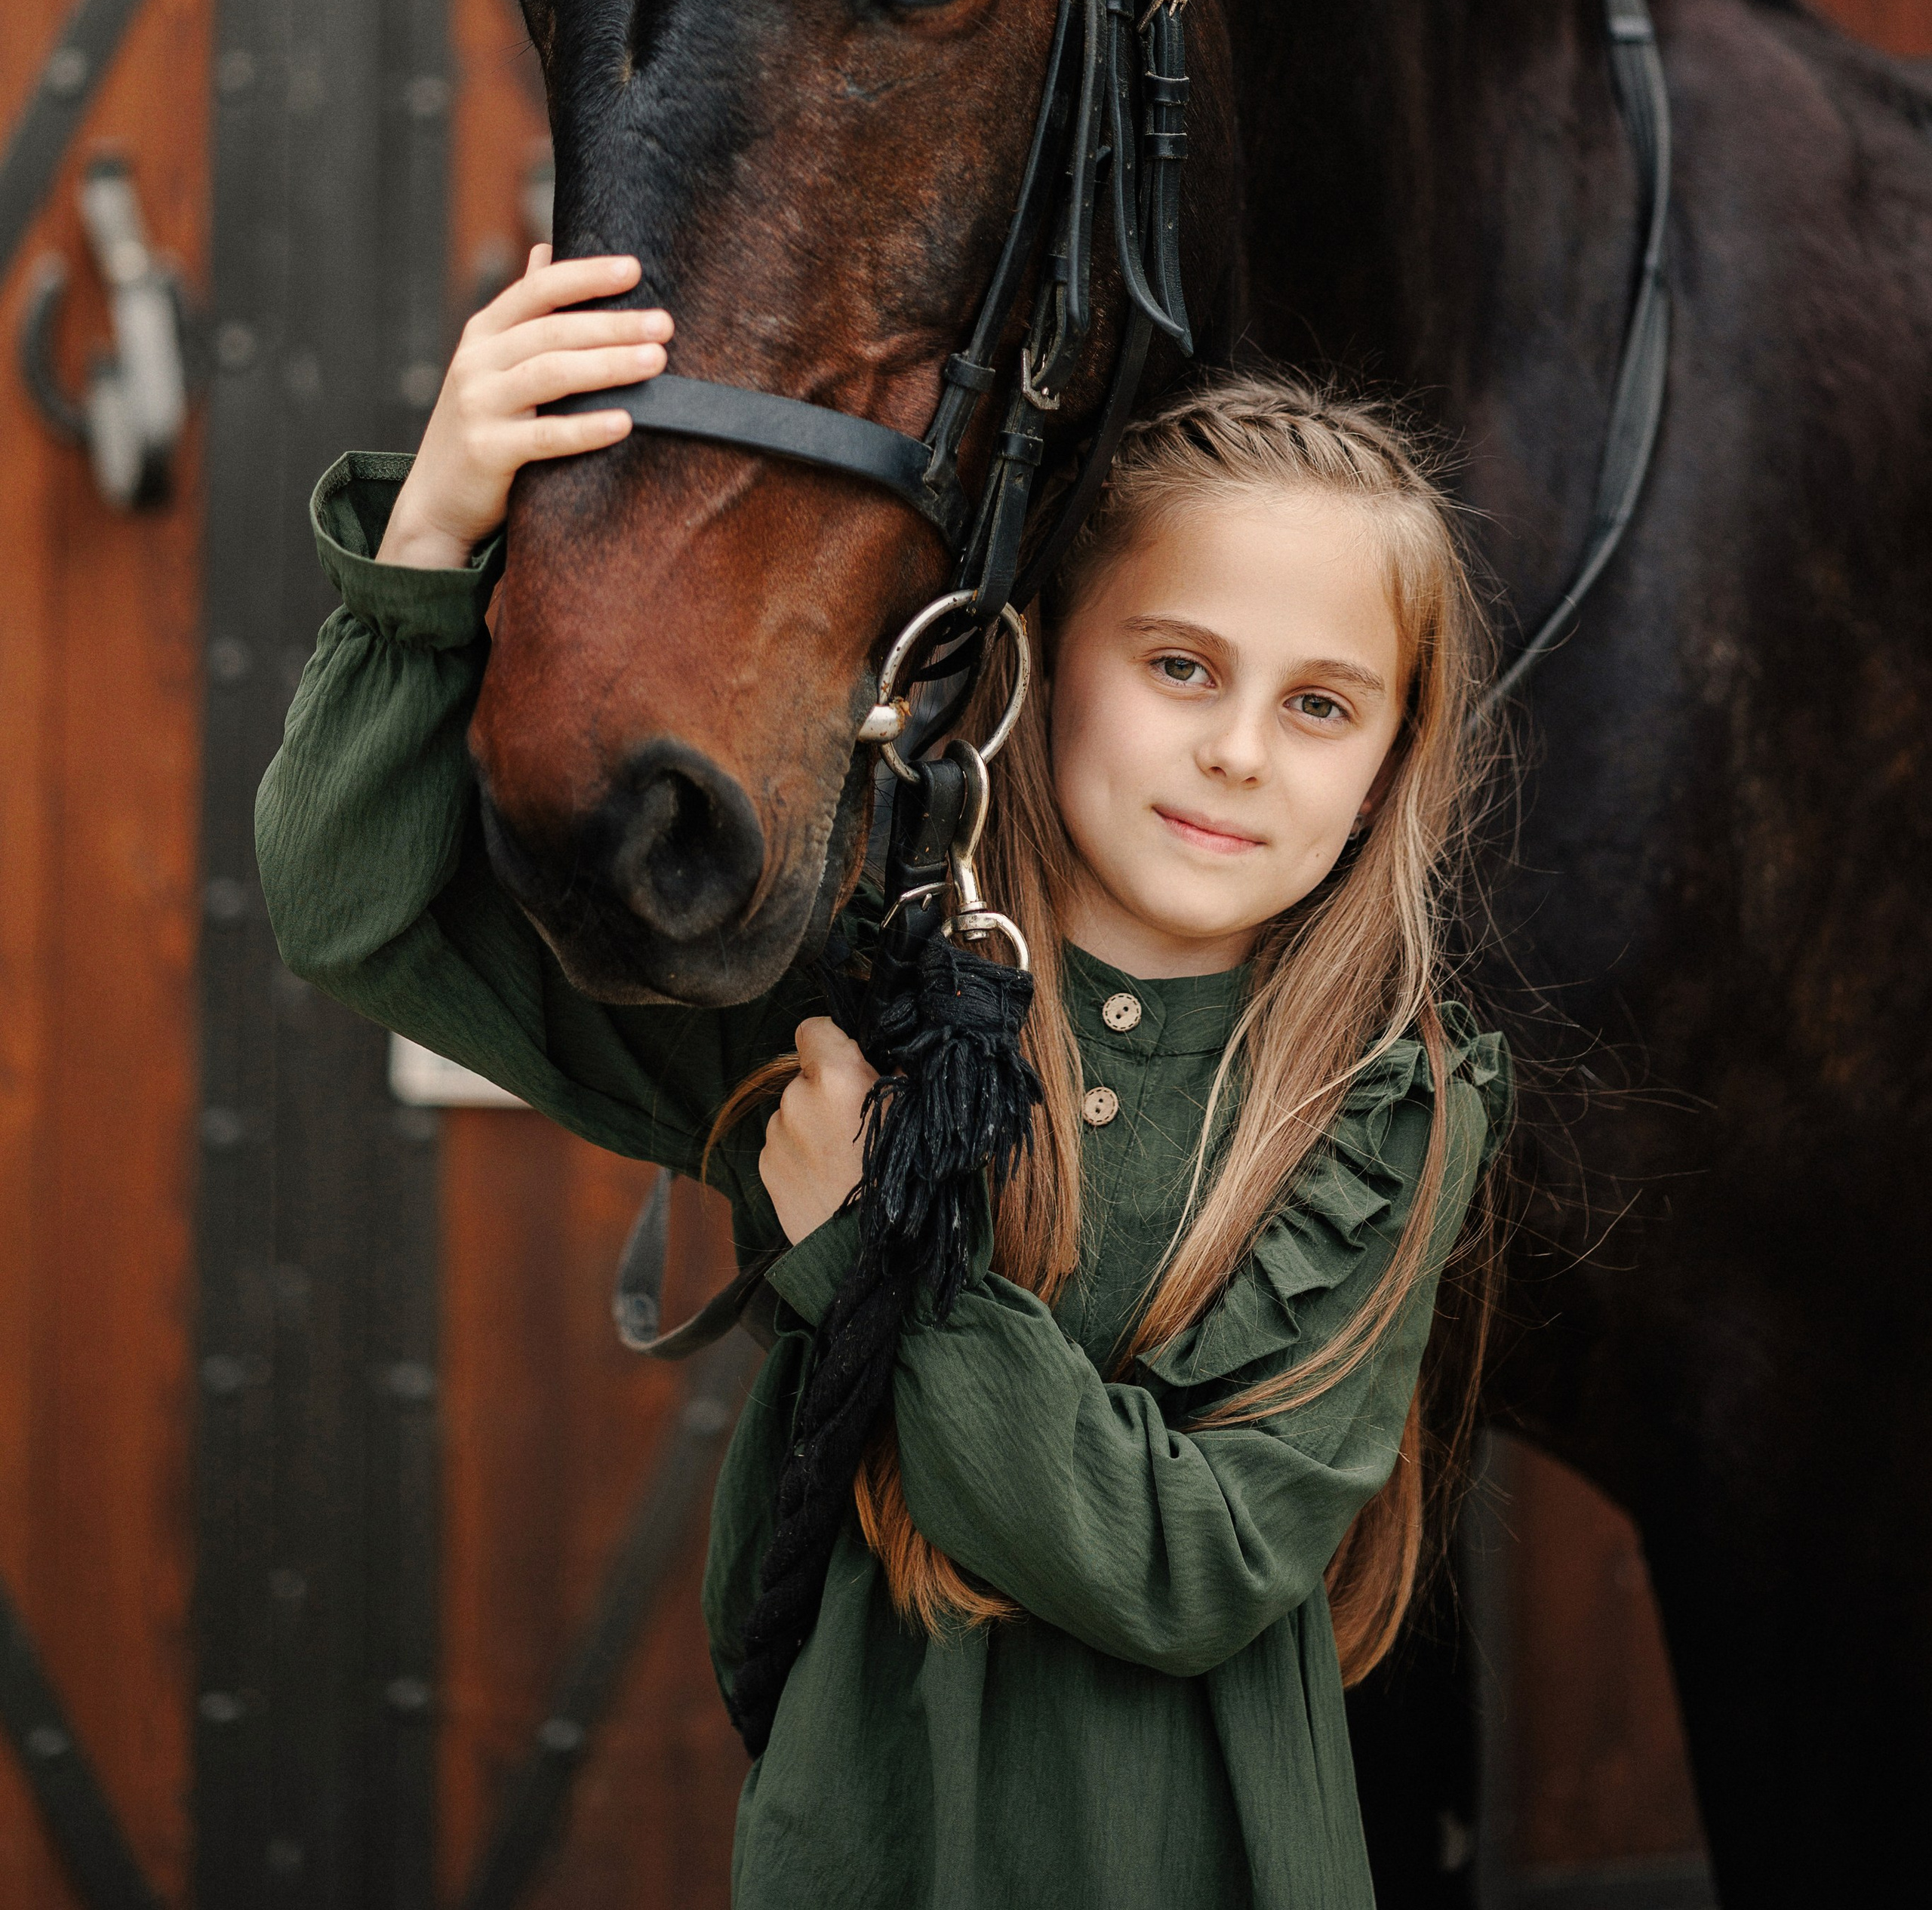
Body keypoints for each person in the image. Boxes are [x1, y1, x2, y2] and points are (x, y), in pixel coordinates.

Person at [257, 246, 1510, 1910]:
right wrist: (432, 536)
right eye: (1180, 667)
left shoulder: (1379, 1111)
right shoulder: (859, 1010)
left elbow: (1183, 1565)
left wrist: (873, 1242)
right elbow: (359, 908)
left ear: (1386, 762)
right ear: (1048, 653)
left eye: (1322, 705)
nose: (1237, 752)